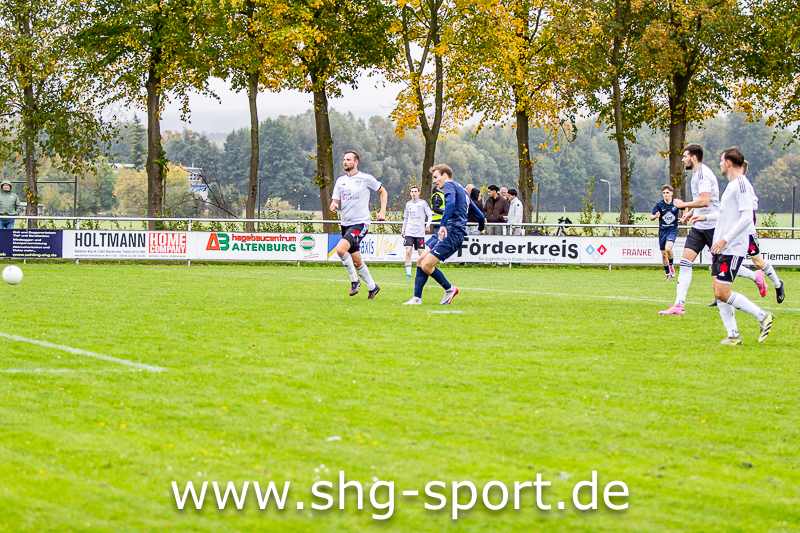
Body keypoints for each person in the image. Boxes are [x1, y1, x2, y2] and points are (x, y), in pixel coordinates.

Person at [697, 148, 774, 344]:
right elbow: (725, 214)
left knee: (722, 292)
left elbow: (747, 218)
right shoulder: (732, 185)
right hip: (722, 248)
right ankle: (733, 335)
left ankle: (762, 316)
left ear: (728, 163)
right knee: (718, 290)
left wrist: (725, 239)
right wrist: (703, 217)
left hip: (732, 248)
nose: (720, 164)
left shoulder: (741, 184)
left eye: (721, 160)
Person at [403, 165, 485, 305]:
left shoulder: (449, 185)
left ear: (445, 176)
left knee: (426, 265)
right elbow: (481, 215)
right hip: (448, 230)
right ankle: (416, 298)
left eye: (436, 177)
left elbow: (450, 205)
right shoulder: (463, 191)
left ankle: (449, 289)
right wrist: (481, 227)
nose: (434, 181)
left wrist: (442, 225)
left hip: (452, 232)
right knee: (421, 260)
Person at [659, 144, 720, 315]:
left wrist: (683, 205)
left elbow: (705, 201)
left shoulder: (703, 175)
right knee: (685, 262)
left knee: (725, 263)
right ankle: (679, 305)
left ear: (693, 158)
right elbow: (702, 202)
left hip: (714, 226)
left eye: (685, 156)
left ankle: (756, 276)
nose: (682, 159)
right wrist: (690, 213)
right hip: (699, 227)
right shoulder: (695, 175)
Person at [329, 150, 388, 299]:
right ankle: (373, 287)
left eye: (348, 159)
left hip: (360, 223)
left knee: (340, 250)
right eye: (344, 159)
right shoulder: (340, 181)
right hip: (345, 224)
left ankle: (354, 281)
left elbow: (383, 192)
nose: (345, 162)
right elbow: (335, 201)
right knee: (356, 261)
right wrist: (333, 205)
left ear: (356, 162)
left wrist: (382, 212)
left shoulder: (365, 178)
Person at [650, 184, 680, 280]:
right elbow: (651, 217)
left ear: (671, 193)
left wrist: (685, 216)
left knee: (668, 249)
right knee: (663, 254)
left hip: (672, 230)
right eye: (663, 193)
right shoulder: (659, 204)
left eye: (667, 192)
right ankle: (667, 273)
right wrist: (655, 216)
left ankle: (671, 265)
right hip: (662, 231)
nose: (665, 194)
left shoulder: (676, 203)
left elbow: (685, 207)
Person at [401, 185, 432, 277]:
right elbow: (406, 218)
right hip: (409, 231)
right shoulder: (408, 204)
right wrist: (403, 230)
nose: (414, 193)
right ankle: (408, 273)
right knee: (408, 251)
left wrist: (427, 225)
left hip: (419, 232)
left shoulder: (423, 203)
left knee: (421, 254)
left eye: (415, 191)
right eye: (412, 192)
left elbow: (430, 215)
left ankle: (423, 271)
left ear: (419, 193)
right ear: (410, 193)